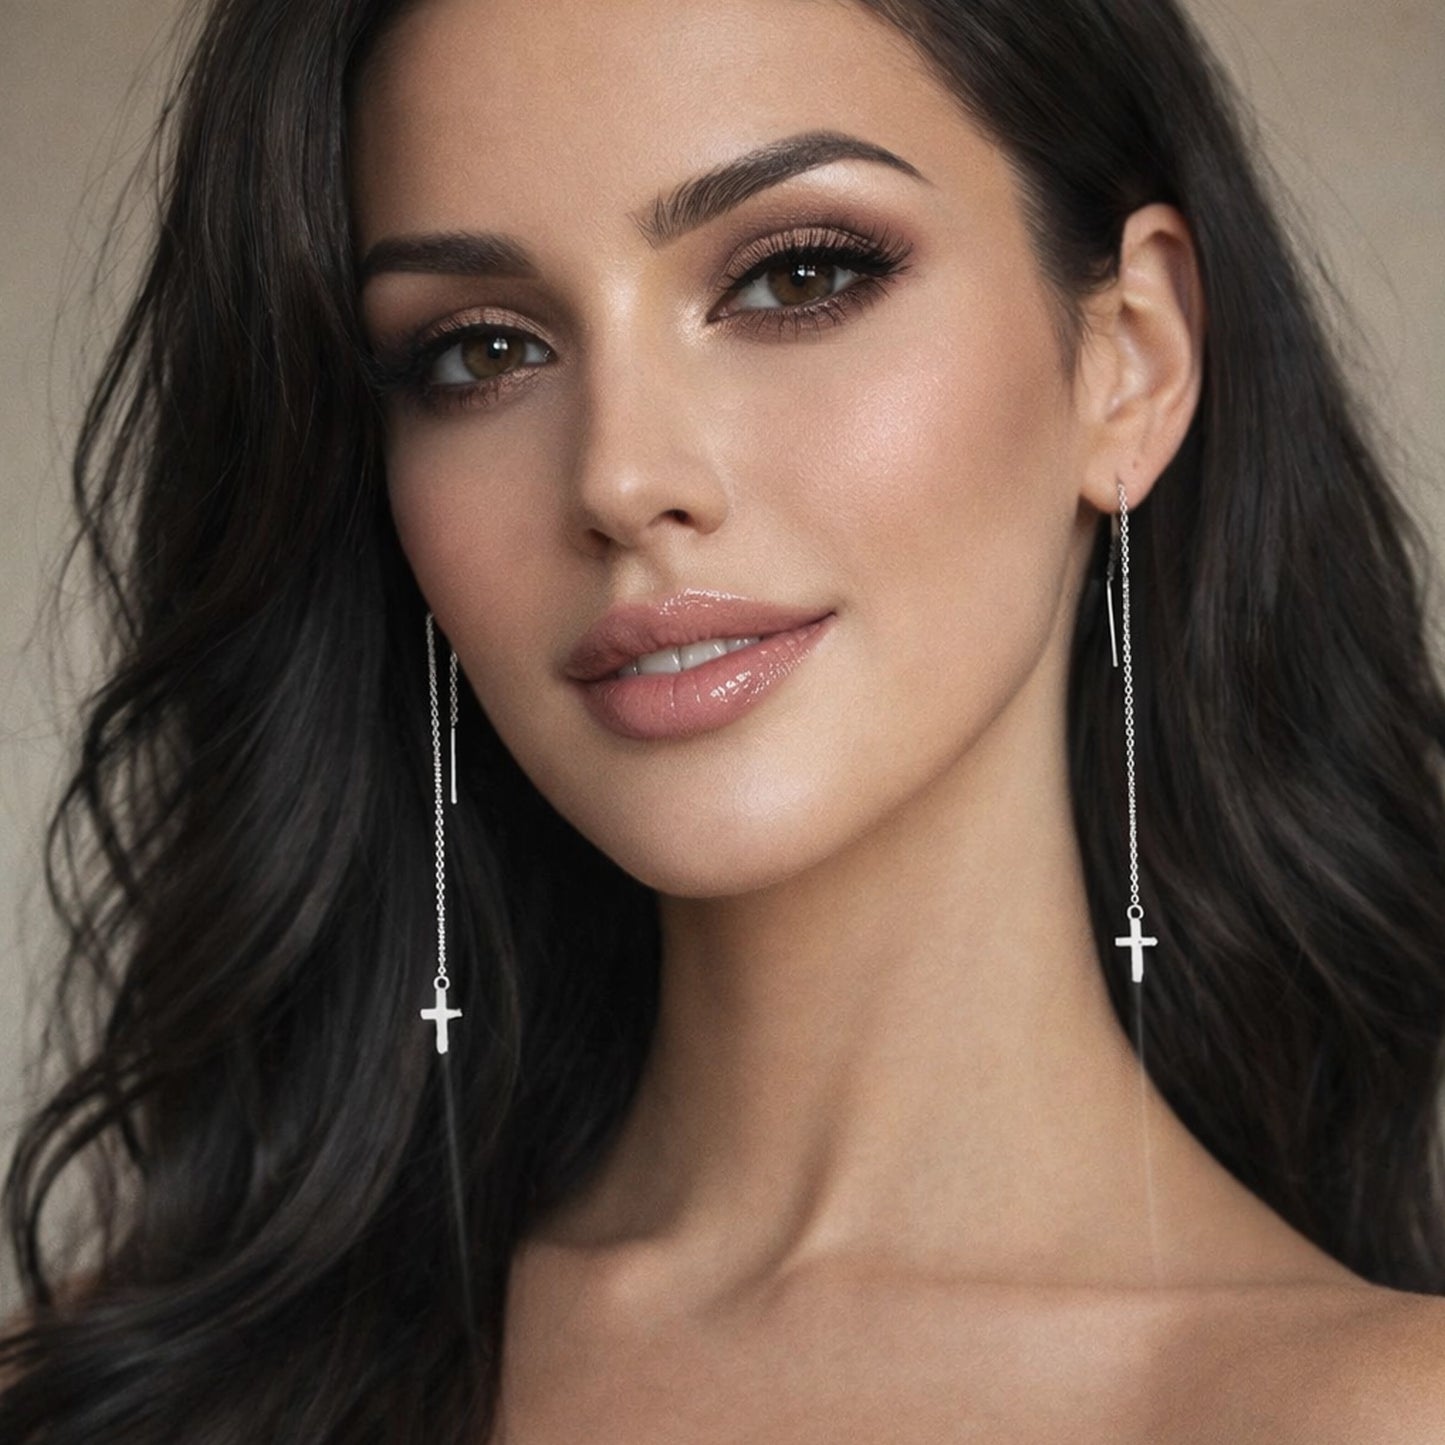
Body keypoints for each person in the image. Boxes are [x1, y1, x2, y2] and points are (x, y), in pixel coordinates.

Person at [4, 0, 1445, 1438]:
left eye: (794, 276)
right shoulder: (130, 1389)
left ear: (1128, 355)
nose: (621, 478)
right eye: (480, 353)